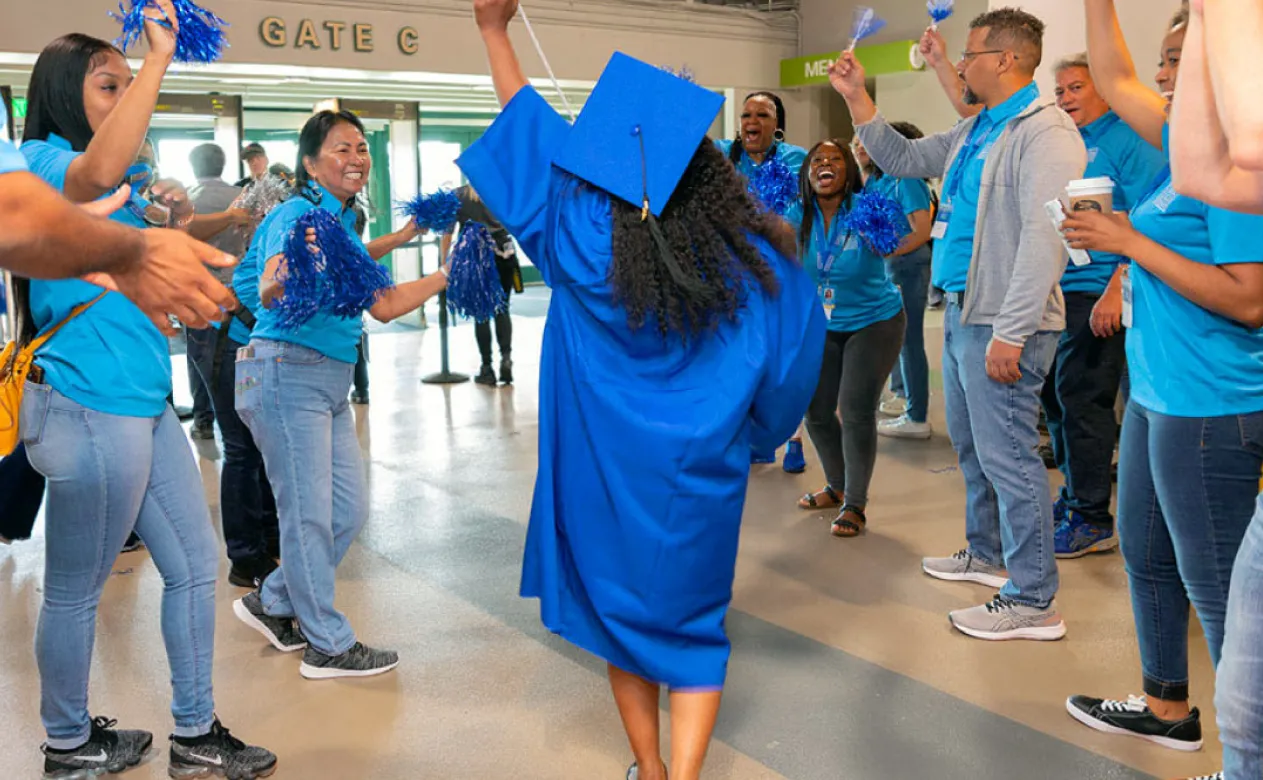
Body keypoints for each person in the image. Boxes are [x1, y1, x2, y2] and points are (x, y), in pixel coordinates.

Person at [462, 3, 824, 778]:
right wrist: (756, 437)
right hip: (699, 479)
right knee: (692, 624)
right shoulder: (756, 265)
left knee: (620, 620)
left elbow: (526, 128)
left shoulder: (572, 238)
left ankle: (650, 769)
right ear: (709, 174)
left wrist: (495, 30)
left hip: (600, 476)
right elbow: (794, 366)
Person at [17, 16, 274, 778]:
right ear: (66, 94)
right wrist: (161, 53)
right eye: (110, 85)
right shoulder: (39, 161)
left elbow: (138, 247)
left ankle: (195, 733)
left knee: (196, 566)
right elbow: (90, 180)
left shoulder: (116, 181)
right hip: (87, 404)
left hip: (142, 402)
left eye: (130, 86)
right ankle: (67, 743)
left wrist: (166, 214)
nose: (128, 98)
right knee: (73, 590)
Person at [829, 7, 1086, 641]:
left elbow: (1043, 238)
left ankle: (1033, 599)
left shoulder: (1044, 132)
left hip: (1004, 318)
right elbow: (906, 157)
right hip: (968, 307)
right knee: (975, 451)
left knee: (1012, 461)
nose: (958, 63)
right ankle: (989, 553)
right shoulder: (979, 129)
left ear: (1005, 60)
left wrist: (1012, 330)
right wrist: (858, 98)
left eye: (969, 54)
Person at [1059, 0, 1263, 755]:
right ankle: (1166, 707)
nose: (1163, 73)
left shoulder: (1240, 172)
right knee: (1147, 557)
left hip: (1210, 403)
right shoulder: (1188, 146)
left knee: (1221, 593)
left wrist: (1125, 244)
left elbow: (1249, 299)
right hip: (1155, 392)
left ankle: (1246, 757)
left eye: (1182, 57)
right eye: (1168, 58)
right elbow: (1111, 74)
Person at [231, 109, 446, 680]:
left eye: (361, 148)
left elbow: (386, 304)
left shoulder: (342, 224)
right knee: (308, 519)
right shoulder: (295, 213)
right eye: (341, 149)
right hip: (285, 374)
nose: (356, 158)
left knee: (346, 511)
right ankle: (326, 643)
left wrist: (447, 273)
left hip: (328, 381)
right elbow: (272, 289)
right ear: (309, 163)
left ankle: (271, 600)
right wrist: (290, 270)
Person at [1042, 53, 1167, 558]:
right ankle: (1075, 494)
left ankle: (1092, 516)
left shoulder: (1130, 140)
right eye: (1061, 90)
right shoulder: (1067, 142)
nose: (1066, 98)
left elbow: (1147, 218)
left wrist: (1119, 283)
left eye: (1075, 88)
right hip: (1059, 285)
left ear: (1104, 90)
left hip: (1100, 288)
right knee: (1054, 394)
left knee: (1083, 398)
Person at [0, 101, 234, 324]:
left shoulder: (134, 201)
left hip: (141, 338)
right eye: (109, 88)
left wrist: (182, 211)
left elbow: (172, 240)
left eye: (150, 163)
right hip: (88, 341)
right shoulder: (44, 158)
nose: (145, 170)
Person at [789, 138, 905, 537]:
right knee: (816, 410)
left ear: (849, 170)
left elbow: (896, 241)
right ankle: (836, 487)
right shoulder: (794, 214)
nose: (824, 164)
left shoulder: (867, 209)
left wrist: (883, 226)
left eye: (834, 158)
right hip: (821, 324)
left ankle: (855, 503)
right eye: (816, 159)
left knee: (854, 409)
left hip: (874, 321)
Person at [715, 91, 810, 470]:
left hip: (782, 273)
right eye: (746, 114)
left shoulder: (796, 160)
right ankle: (756, 436)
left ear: (778, 124)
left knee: (784, 361)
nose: (751, 121)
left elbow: (795, 219)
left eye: (762, 115)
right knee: (744, 359)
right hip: (734, 276)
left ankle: (795, 442)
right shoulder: (724, 155)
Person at [850, 124, 936, 441]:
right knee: (896, 340)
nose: (865, 147)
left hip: (908, 266)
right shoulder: (877, 179)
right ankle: (903, 397)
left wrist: (888, 250)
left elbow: (922, 231)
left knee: (910, 341)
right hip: (889, 267)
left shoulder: (907, 179)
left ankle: (917, 416)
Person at [186, 143, 249, 440]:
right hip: (238, 289)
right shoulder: (242, 197)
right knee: (235, 353)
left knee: (199, 354)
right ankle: (238, 414)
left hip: (199, 288)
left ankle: (204, 418)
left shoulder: (186, 200)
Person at [440, 184, 520, 386]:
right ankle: (506, 359)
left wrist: (444, 263)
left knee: (481, 312)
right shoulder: (501, 190)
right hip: (504, 252)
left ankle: (487, 368)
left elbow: (447, 233)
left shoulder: (459, 196)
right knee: (503, 308)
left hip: (476, 256)